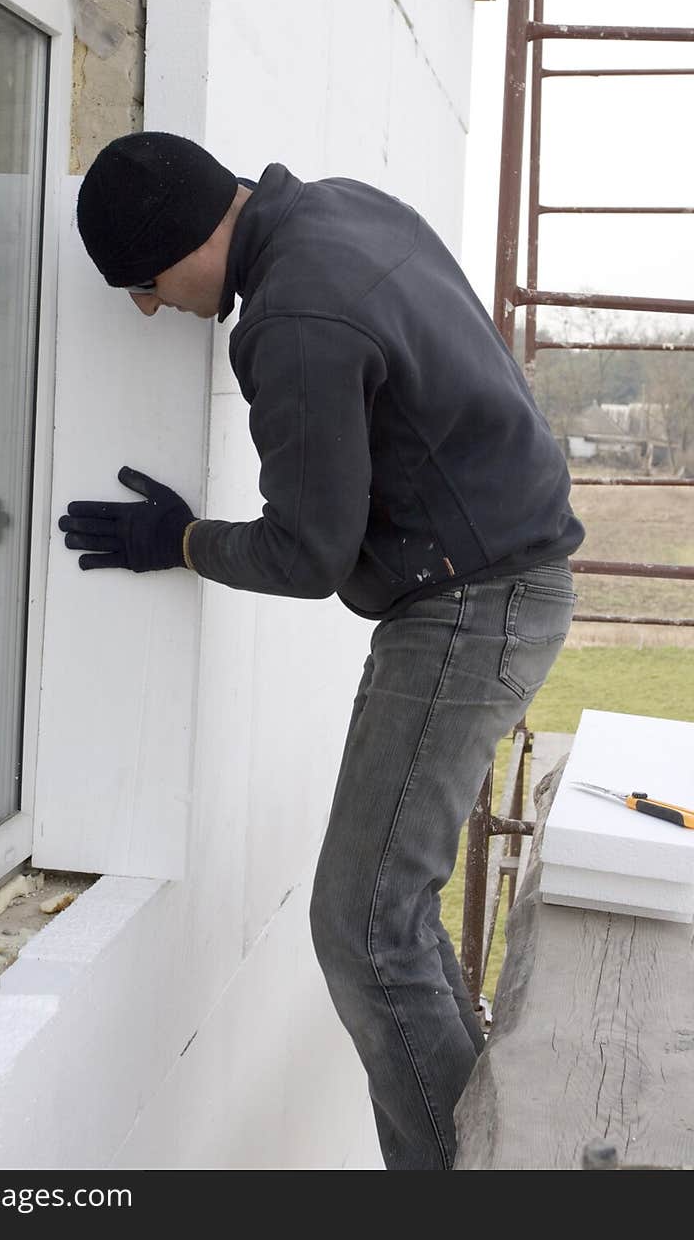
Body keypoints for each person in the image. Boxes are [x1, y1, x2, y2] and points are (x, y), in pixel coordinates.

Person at [62, 131, 585, 1170]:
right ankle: (485, 1152)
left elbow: (307, 554)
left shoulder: (292, 318)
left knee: (358, 927)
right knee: (394, 918)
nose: (148, 308)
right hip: (496, 585)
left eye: (147, 283)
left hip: (468, 608)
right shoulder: (341, 208)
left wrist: (179, 541)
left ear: (181, 242)